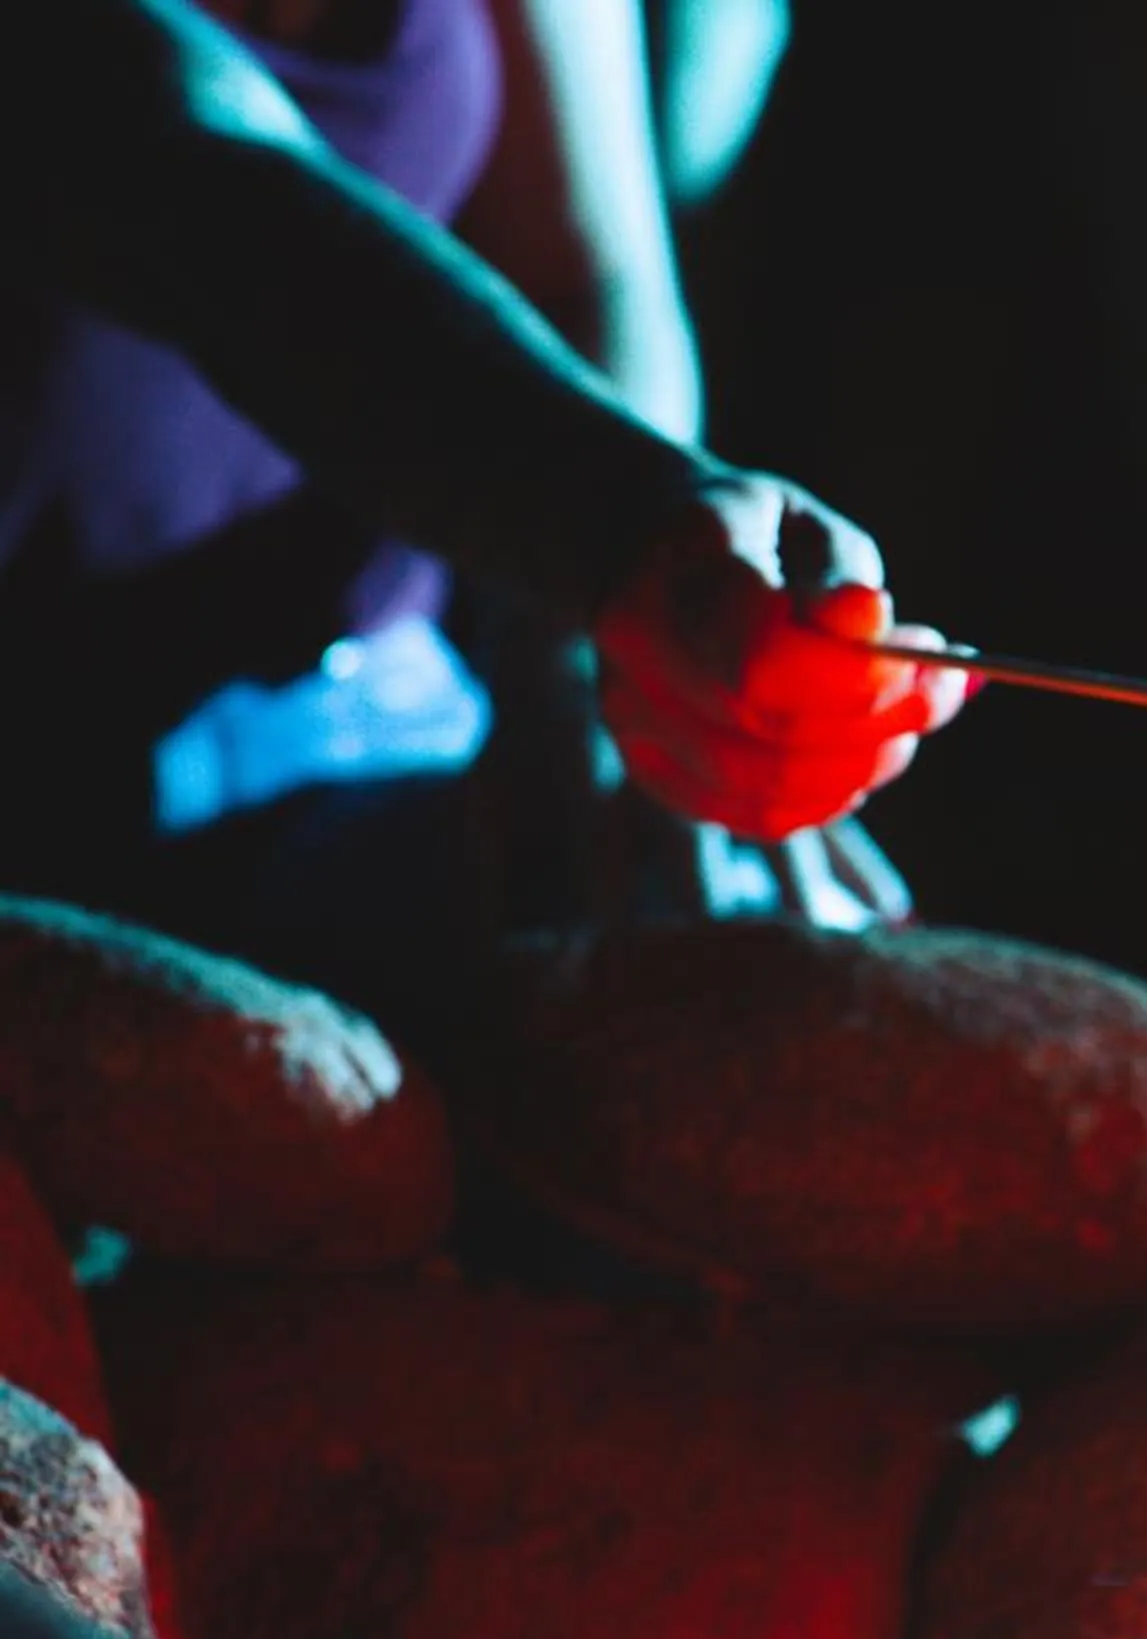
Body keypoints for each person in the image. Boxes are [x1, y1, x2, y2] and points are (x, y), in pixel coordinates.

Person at [0, 0, 969, 1038]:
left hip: (372, 703)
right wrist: (627, 531)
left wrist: (583, 667)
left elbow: (589, 275)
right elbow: (198, 190)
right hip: (40, 748)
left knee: (746, 1009)